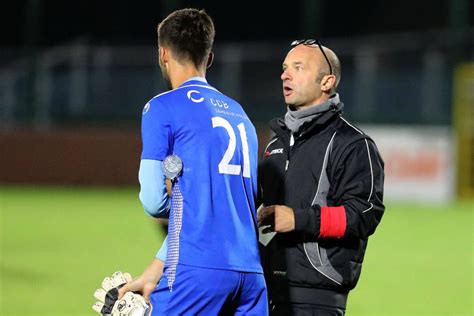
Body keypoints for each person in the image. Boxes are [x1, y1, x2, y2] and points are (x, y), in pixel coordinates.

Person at [118, 8, 267, 315]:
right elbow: (248, 200)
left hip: (197, 271)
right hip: (252, 275)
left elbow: (153, 201)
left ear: (163, 53)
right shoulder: (241, 115)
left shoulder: (161, 107)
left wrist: (197, 205)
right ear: (208, 58)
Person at [257, 39, 385, 315]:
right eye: (284, 67)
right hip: (265, 292)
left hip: (316, 299)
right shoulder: (274, 145)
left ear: (327, 82)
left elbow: (364, 214)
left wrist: (297, 219)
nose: (285, 74)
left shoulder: (352, 144)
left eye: (298, 67)